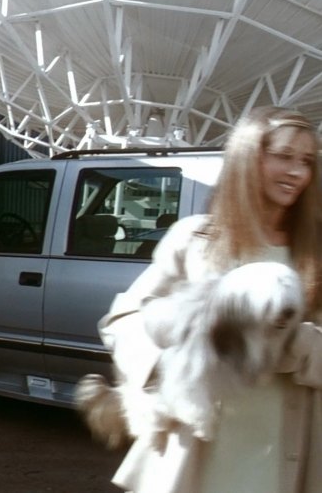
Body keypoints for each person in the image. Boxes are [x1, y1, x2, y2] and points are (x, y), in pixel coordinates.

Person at [98, 106, 322, 492]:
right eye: (283, 156)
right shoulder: (195, 239)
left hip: (284, 449)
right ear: (248, 155)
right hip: (198, 449)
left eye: (306, 161)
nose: (297, 173)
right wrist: (166, 365)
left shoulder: (316, 251)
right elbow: (123, 320)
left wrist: (298, 347)